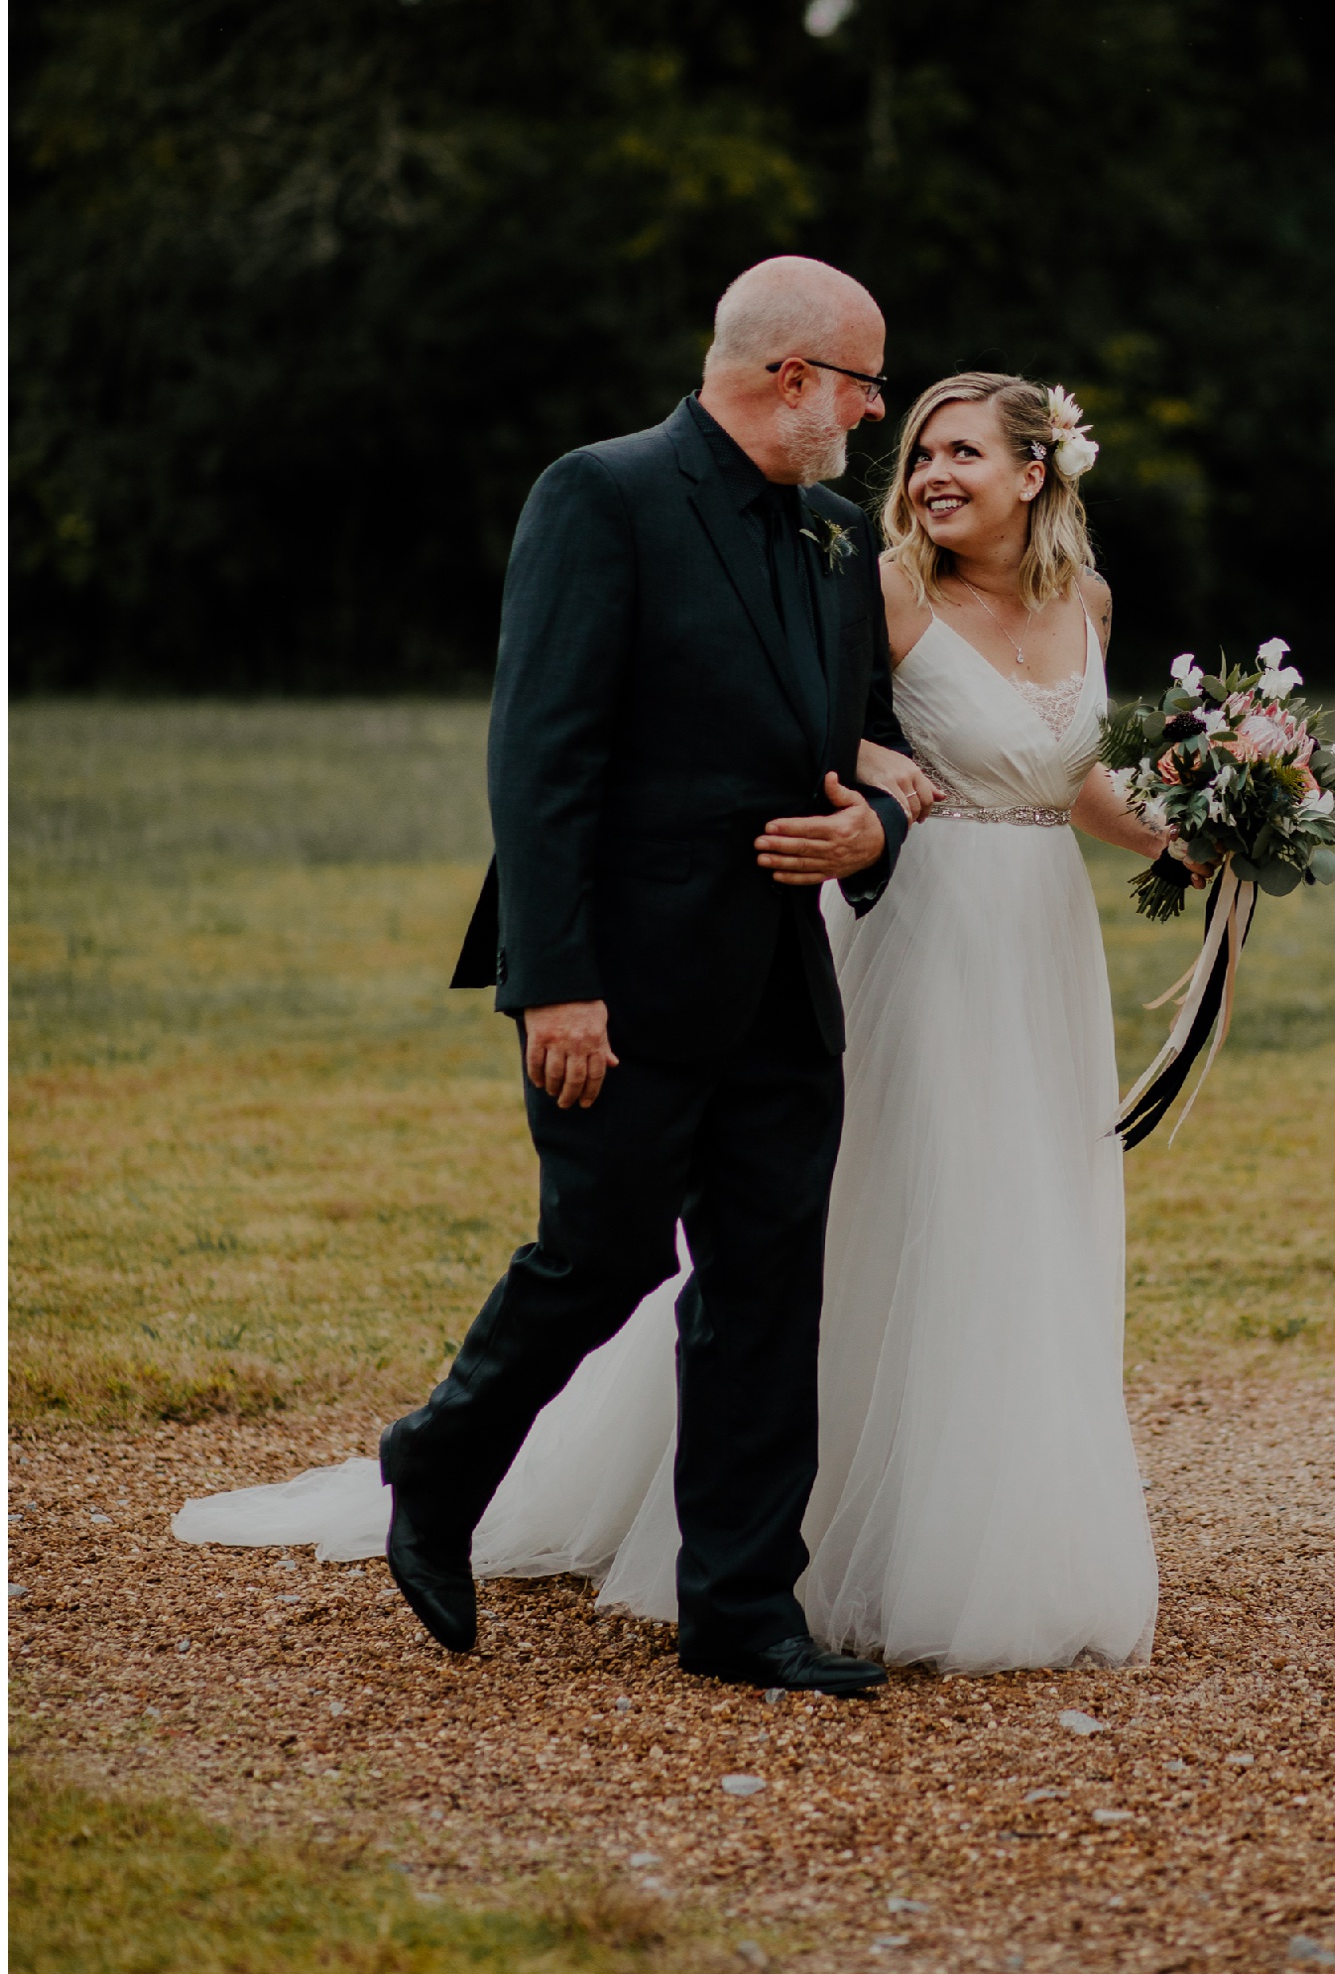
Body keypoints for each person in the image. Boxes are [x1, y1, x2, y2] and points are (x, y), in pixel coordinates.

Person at [177, 368, 1174, 1674]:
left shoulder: (1034, 588)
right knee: (704, 1240)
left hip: (1031, 951)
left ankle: (821, 1579)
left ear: (1037, 474)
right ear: (794, 374)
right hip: (877, 942)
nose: (921, 462)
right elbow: (700, 742)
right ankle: (473, 1466)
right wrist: (565, 966)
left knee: (919, 1240)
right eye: (912, 434)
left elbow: (1028, 769)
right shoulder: (818, 563)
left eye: (961, 450)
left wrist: (1199, 824)